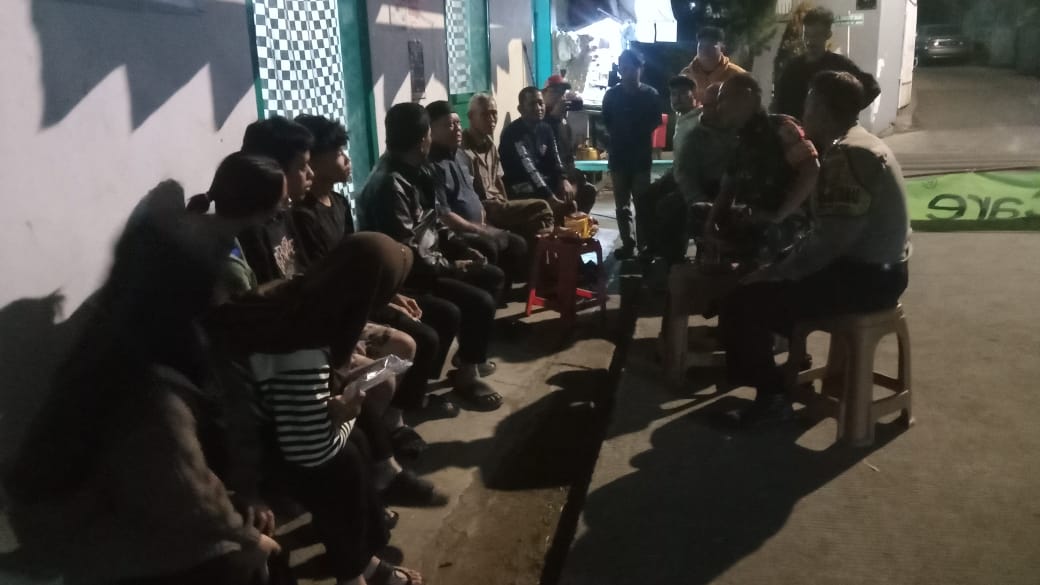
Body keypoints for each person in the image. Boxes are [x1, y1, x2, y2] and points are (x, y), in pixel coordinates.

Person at [3, 180, 291, 585]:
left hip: (101, 502)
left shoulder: (124, 328)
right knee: (254, 561)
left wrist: (239, 499)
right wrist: (246, 535)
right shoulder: (147, 384)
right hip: (84, 532)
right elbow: (180, 489)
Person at [194, 154, 431, 585]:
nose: (288, 204)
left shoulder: (287, 293)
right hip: (247, 423)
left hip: (269, 396)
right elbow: (301, 442)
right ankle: (355, 568)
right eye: (280, 201)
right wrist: (343, 412)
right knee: (344, 460)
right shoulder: (285, 325)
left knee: (357, 443)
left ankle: (363, 553)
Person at [719, 70, 910, 425]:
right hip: (880, 271)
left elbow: (831, 242)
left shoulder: (848, 156)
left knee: (741, 301)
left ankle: (773, 397)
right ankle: (788, 369)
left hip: (865, 278)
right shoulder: (861, 143)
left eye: (808, 102)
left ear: (820, 107)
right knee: (764, 286)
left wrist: (776, 271)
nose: (803, 110)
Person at [292, 113, 461, 440]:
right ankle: (377, 420)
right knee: (420, 338)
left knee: (437, 319)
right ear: (314, 159)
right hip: (343, 306)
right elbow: (327, 280)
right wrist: (382, 300)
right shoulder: (303, 215)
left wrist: (393, 294)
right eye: (337, 152)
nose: (347, 159)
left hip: (362, 295)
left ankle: (395, 413)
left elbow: (361, 265)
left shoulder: (338, 203)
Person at [358, 102, 505, 411]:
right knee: (463, 307)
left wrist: (461, 248)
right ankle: (422, 391)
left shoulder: (419, 170)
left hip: (429, 263)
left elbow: (434, 221)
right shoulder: (389, 184)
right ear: (422, 139)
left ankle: (468, 364)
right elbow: (408, 251)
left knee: (490, 275)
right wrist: (453, 267)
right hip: (407, 277)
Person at [705, 73, 819, 266]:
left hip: (786, 220)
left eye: (724, 98)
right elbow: (727, 189)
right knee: (700, 213)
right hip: (754, 216)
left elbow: (811, 170)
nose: (719, 107)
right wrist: (710, 223)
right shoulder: (741, 142)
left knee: (767, 235)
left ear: (747, 97)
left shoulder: (780, 128)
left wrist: (778, 216)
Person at [426, 100, 529, 296]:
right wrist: (478, 229)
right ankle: (487, 298)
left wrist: (484, 220)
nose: (457, 129)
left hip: (479, 223)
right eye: (449, 125)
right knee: (489, 245)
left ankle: (502, 296)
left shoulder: (460, 156)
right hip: (456, 232)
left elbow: (472, 193)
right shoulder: (432, 166)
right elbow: (444, 215)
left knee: (517, 243)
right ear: (431, 130)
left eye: (458, 123)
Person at [461, 93, 555, 241]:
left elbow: (498, 180)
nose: (491, 119)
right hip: (484, 207)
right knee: (542, 207)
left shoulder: (490, 144)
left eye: (494, 113)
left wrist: (508, 204)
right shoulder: (463, 149)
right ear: (471, 117)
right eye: (485, 114)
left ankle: (546, 250)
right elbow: (467, 193)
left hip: (500, 204)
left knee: (537, 221)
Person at [602, 49, 663, 259]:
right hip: (618, 157)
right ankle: (628, 243)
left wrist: (635, 132)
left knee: (643, 203)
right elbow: (606, 122)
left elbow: (655, 121)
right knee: (622, 205)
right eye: (623, 68)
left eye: (631, 68)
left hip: (640, 158)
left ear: (640, 69)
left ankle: (645, 245)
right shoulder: (612, 95)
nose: (626, 72)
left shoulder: (650, 95)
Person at [772, 7, 882, 121]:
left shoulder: (839, 65)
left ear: (828, 34)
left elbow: (872, 88)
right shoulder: (793, 68)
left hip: (828, 131)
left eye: (816, 35)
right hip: (798, 130)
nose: (810, 41)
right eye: (807, 35)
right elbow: (780, 104)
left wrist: (845, 115)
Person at [499, 86, 576, 220]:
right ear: (521, 109)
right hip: (521, 184)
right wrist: (550, 196)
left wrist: (563, 179)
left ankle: (571, 224)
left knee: (581, 185)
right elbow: (529, 169)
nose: (538, 108)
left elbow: (555, 158)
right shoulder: (513, 133)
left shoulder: (546, 128)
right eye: (532, 104)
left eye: (540, 103)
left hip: (542, 180)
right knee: (545, 197)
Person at [543, 75, 598, 214]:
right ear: (544, 93)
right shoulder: (540, 120)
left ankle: (575, 223)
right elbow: (545, 158)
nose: (560, 97)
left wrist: (573, 180)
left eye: (562, 93)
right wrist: (553, 118)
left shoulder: (563, 123)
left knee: (589, 190)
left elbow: (567, 157)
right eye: (555, 92)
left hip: (567, 178)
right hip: (549, 181)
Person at [679, 26, 747, 104]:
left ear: (722, 48)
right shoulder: (686, 75)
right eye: (701, 46)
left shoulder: (738, 75)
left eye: (710, 46)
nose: (705, 50)